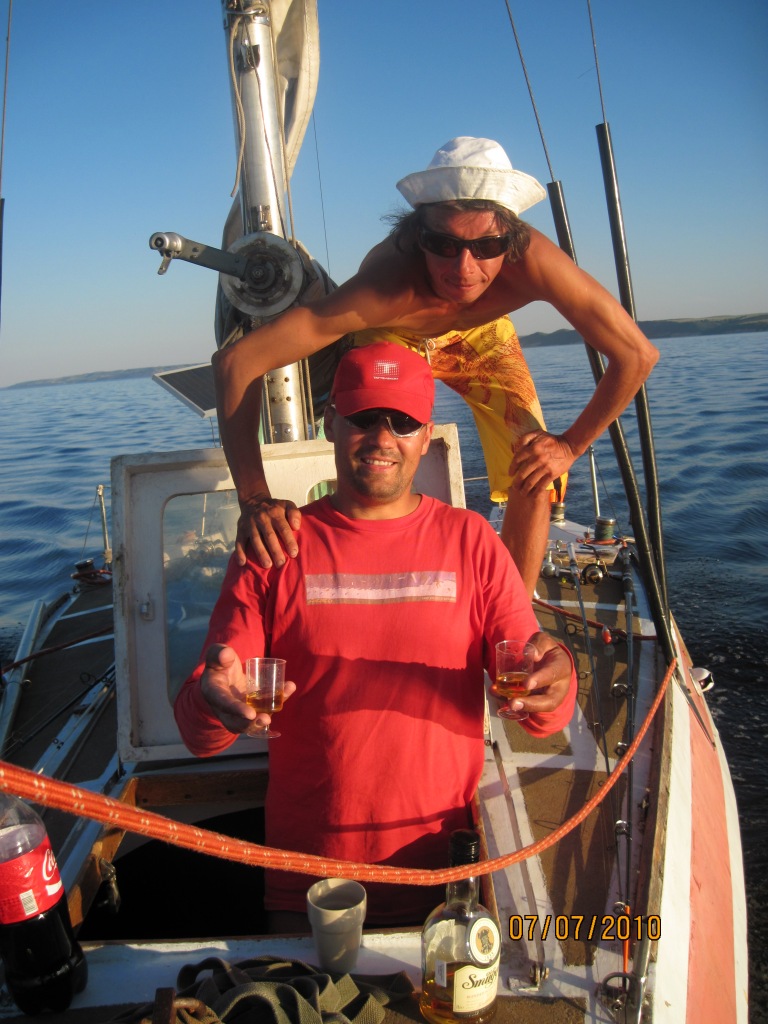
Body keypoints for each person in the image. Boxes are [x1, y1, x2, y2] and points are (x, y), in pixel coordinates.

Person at [176, 342, 576, 931]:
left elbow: (544, 713)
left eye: (403, 422)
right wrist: (218, 705)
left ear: (426, 434)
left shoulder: (473, 543)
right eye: (364, 416)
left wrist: (556, 675)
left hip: (444, 881)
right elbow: (197, 733)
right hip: (306, 886)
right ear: (332, 422)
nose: (383, 437)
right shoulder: (273, 548)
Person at [213, 136, 659, 596]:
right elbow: (236, 363)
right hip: (393, 331)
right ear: (417, 237)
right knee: (379, 450)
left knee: (537, 465)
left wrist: (568, 445)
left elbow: (637, 355)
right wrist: (254, 498)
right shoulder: (385, 288)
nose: (464, 268)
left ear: (512, 240)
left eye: (487, 246)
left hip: (481, 334)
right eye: (443, 244)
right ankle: (374, 578)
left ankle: (512, 616)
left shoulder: (534, 262)